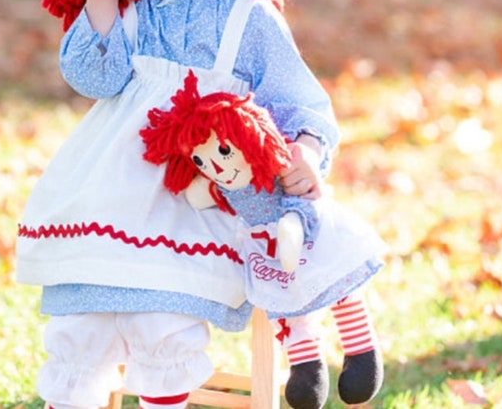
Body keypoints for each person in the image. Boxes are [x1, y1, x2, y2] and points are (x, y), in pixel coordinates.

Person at [16, 0, 379, 409]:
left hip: (196, 204)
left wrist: (305, 152)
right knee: (83, 327)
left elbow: (300, 104)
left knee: (163, 324)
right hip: (110, 190)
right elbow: (94, 78)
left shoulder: (248, 17)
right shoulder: (132, 5)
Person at [141, 70, 385, 406]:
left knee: (339, 288)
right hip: (266, 249)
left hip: (305, 232)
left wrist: (291, 228)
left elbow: (296, 202)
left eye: (223, 151)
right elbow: (207, 194)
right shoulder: (228, 186)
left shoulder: (276, 169)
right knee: (288, 309)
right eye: (201, 161)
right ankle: (307, 369)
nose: (217, 167)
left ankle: (362, 353)